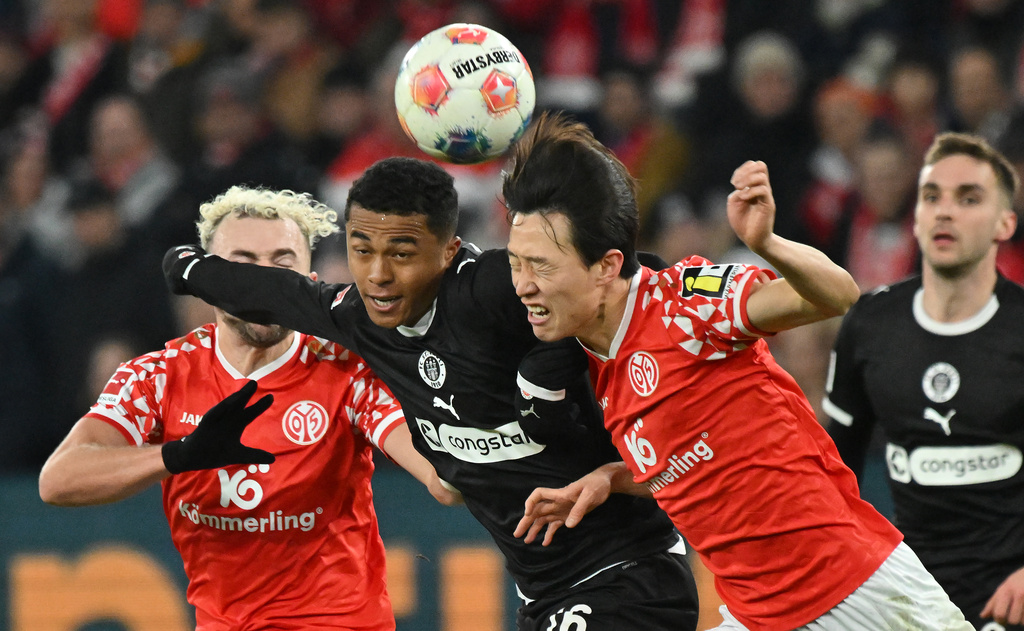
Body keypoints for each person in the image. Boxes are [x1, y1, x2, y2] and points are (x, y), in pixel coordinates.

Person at [163, 157, 700, 630]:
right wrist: (187, 268)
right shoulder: (360, 320)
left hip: (627, 575)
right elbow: (278, 294)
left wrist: (547, 369)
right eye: (361, 249)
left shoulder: (490, 289)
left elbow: (633, 273)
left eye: (401, 253)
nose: (377, 275)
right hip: (544, 596)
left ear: (449, 251)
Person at [504, 112, 972, 630]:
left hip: (858, 594)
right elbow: (696, 458)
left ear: (607, 266)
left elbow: (837, 296)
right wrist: (613, 478)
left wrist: (768, 244)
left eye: (542, 266)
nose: (524, 284)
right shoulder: (592, 364)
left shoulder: (683, 304)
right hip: (757, 615)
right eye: (516, 264)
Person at [39, 185, 455, 629]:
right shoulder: (158, 378)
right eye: (244, 265)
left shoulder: (347, 373)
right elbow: (58, 480)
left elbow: (441, 476)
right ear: (209, 283)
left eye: (282, 264)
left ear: (309, 281)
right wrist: (178, 455)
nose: (264, 285)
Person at [824, 132, 1024, 630]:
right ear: (915, 218)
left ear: (1006, 223)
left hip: (1012, 589)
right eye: (931, 197)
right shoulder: (870, 324)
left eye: (968, 198)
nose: (944, 211)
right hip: (908, 592)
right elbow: (832, 466)